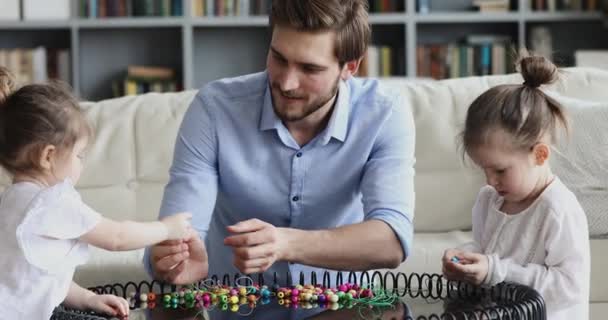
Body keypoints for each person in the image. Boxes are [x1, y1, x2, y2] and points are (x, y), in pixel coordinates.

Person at [146, 0, 415, 286]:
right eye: (278, 58)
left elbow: (392, 240)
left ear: (350, 67)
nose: (286, 83)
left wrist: (285, 244)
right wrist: (170, 260)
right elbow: (180, 232)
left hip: (344, 307)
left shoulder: (384, 113)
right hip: (239, 309)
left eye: (309, 69)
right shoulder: (214, 109)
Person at [0, 67, 193, 319]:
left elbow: (41, 280)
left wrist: (89, 298)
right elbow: (118, 237)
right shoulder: (51, 202)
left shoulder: (9, 201)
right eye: (79, 155)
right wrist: (166, 229)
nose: (82, 163)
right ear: (48, 156)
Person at [441, 55, 590, 320]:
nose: (490, 181)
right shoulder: (490, 200)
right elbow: (488, 253)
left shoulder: (558, 210)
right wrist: (468, 261)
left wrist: (494, 270)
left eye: (499, 170)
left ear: (540, 155)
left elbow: (570, 287)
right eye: (483, 169)